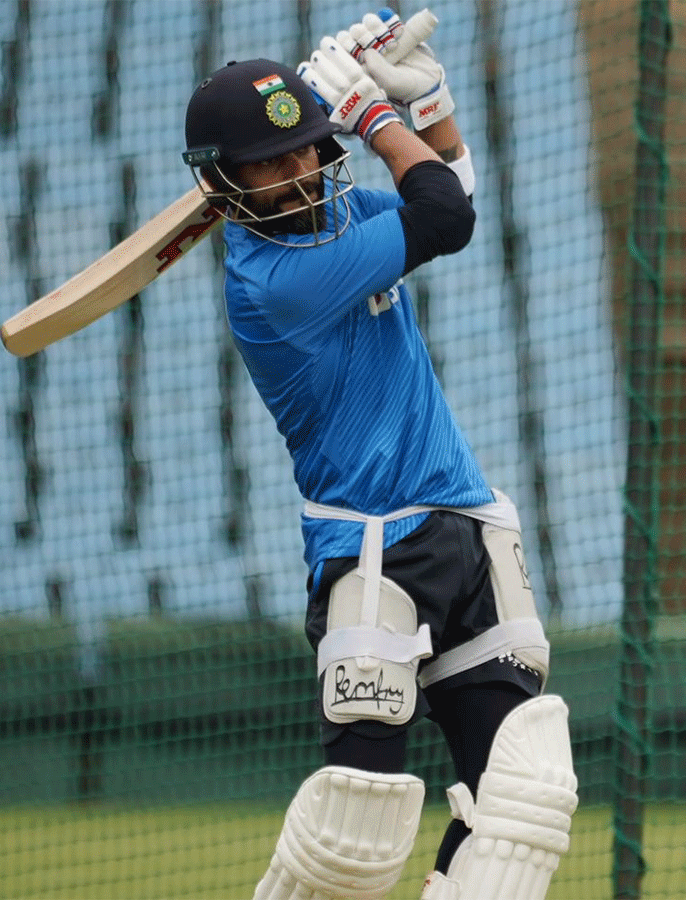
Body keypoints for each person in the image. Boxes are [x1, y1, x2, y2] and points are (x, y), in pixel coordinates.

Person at [181, 11, 577, 900]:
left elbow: (452, 191)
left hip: (465, 527)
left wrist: (425, 103)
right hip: (370, 551)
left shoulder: (337, 217)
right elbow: (442, 217)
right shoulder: (272, 283)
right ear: (225, 184)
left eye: (310, 149)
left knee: (523, 801)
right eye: (273, 163)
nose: (301, 173)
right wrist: (371, 119)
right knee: (355, 830)